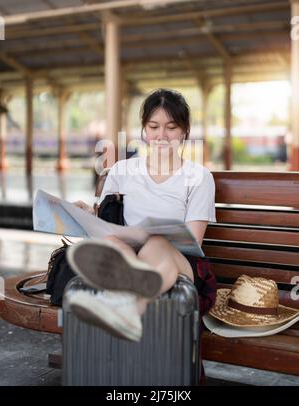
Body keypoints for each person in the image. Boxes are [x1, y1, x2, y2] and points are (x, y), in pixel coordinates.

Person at [68, 88, 216, 344]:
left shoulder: (199, 177)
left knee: (156, 243)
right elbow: (107, 224)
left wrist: (152, 237)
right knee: (114, 243)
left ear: (184, 130)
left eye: (171, 127)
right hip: (129, 256)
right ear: (144, 130)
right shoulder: (122, 171)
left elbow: (194, 242)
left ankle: (129, 309)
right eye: (153, 126)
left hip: (179, 262)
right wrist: (88, 214)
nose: (161, 135)